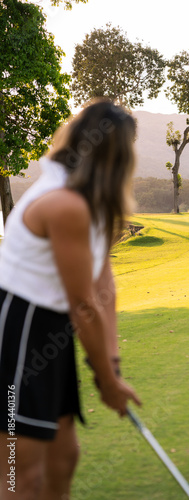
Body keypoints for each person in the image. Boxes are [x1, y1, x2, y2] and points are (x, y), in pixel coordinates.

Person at [0, 98, 141, 499]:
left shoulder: (92, 202)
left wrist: (110, 367)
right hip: (18, 329)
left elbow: (103, 283)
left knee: (63, 458)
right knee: (18, 474)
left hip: (49, 329)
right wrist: (107, 381)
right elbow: (83, 304)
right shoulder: (64, 204)